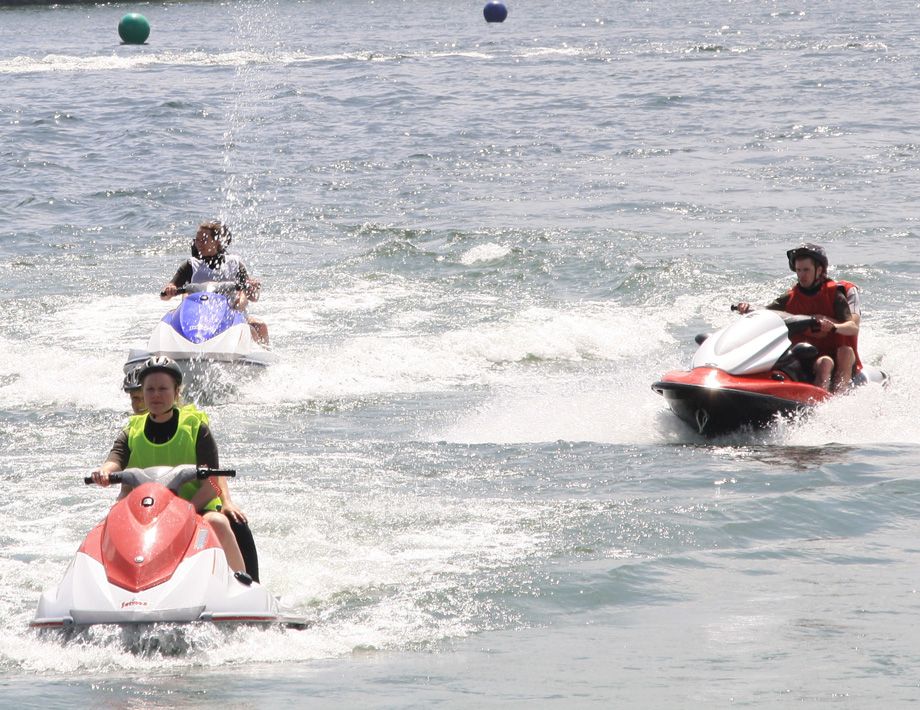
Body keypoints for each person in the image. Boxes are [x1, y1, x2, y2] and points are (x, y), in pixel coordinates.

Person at [95, 356, 256, 580]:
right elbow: (116, 458)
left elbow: (212, 486)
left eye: (163, 388)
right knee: (103, 528)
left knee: (218, 522)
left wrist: (182, 514)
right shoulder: (131, 431)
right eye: (150, 389)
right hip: (145, 513)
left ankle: (242, 583)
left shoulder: (196, 428)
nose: (156, 395)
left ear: (177, 391)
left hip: (196, 509)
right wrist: (104, 471)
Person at [734, 243, 861, 392]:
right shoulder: (790, 296)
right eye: (799, 270)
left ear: (819, 270)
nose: (802, 275)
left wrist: (832, 326)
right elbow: (766, 312)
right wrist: (747, 308)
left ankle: (827, 402)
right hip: (802, 354)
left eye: (806, 270)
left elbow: (852, 327)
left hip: (832, 356)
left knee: (832, 359)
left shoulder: (835, 295)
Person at [160, 221, 269, 345]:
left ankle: (263, 354)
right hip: (197, 318)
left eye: (204, 240)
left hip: (229, 316)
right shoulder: (191, 265)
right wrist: (170, 289)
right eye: (197, 240)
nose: (199, 244)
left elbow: (253, 298)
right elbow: (165, 294)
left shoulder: (234, 264)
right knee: (169, 319)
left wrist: (252, 288)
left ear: (217, 241)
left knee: (257, 327)